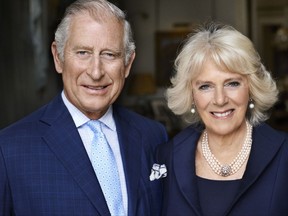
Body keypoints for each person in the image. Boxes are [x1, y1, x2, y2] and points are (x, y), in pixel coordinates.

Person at [0, 0, 168, 215]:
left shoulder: (153, 136)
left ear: (127, 64)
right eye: (82, 53)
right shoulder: (9, 149)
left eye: (109, 54)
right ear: (58, 57)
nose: (96, 72)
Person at [150, 22, 288, 215]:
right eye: (205, 86)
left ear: (251, 88)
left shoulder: (284, 154)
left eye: (232, 83)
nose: (220, 99)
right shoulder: (167, 157)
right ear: (191, 94)